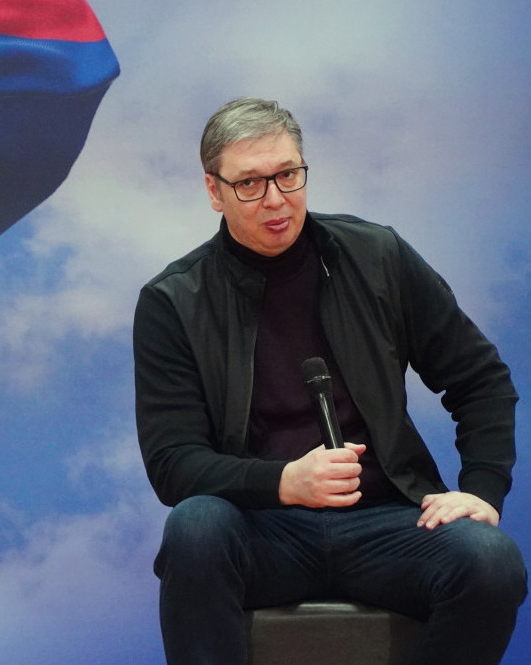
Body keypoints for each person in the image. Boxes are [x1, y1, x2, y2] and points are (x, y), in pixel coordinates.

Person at [133, 97, 527, 664]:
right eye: (250, 183)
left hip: (387, 519)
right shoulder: (174, 300)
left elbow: (480, 379)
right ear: (214, 191)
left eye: (288, 175)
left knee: (490, 560)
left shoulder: (378, 256)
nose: (276, 199)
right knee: (195, 526)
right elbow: (174, 464)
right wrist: (284, 481)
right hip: (260, 529)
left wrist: (483, 490)